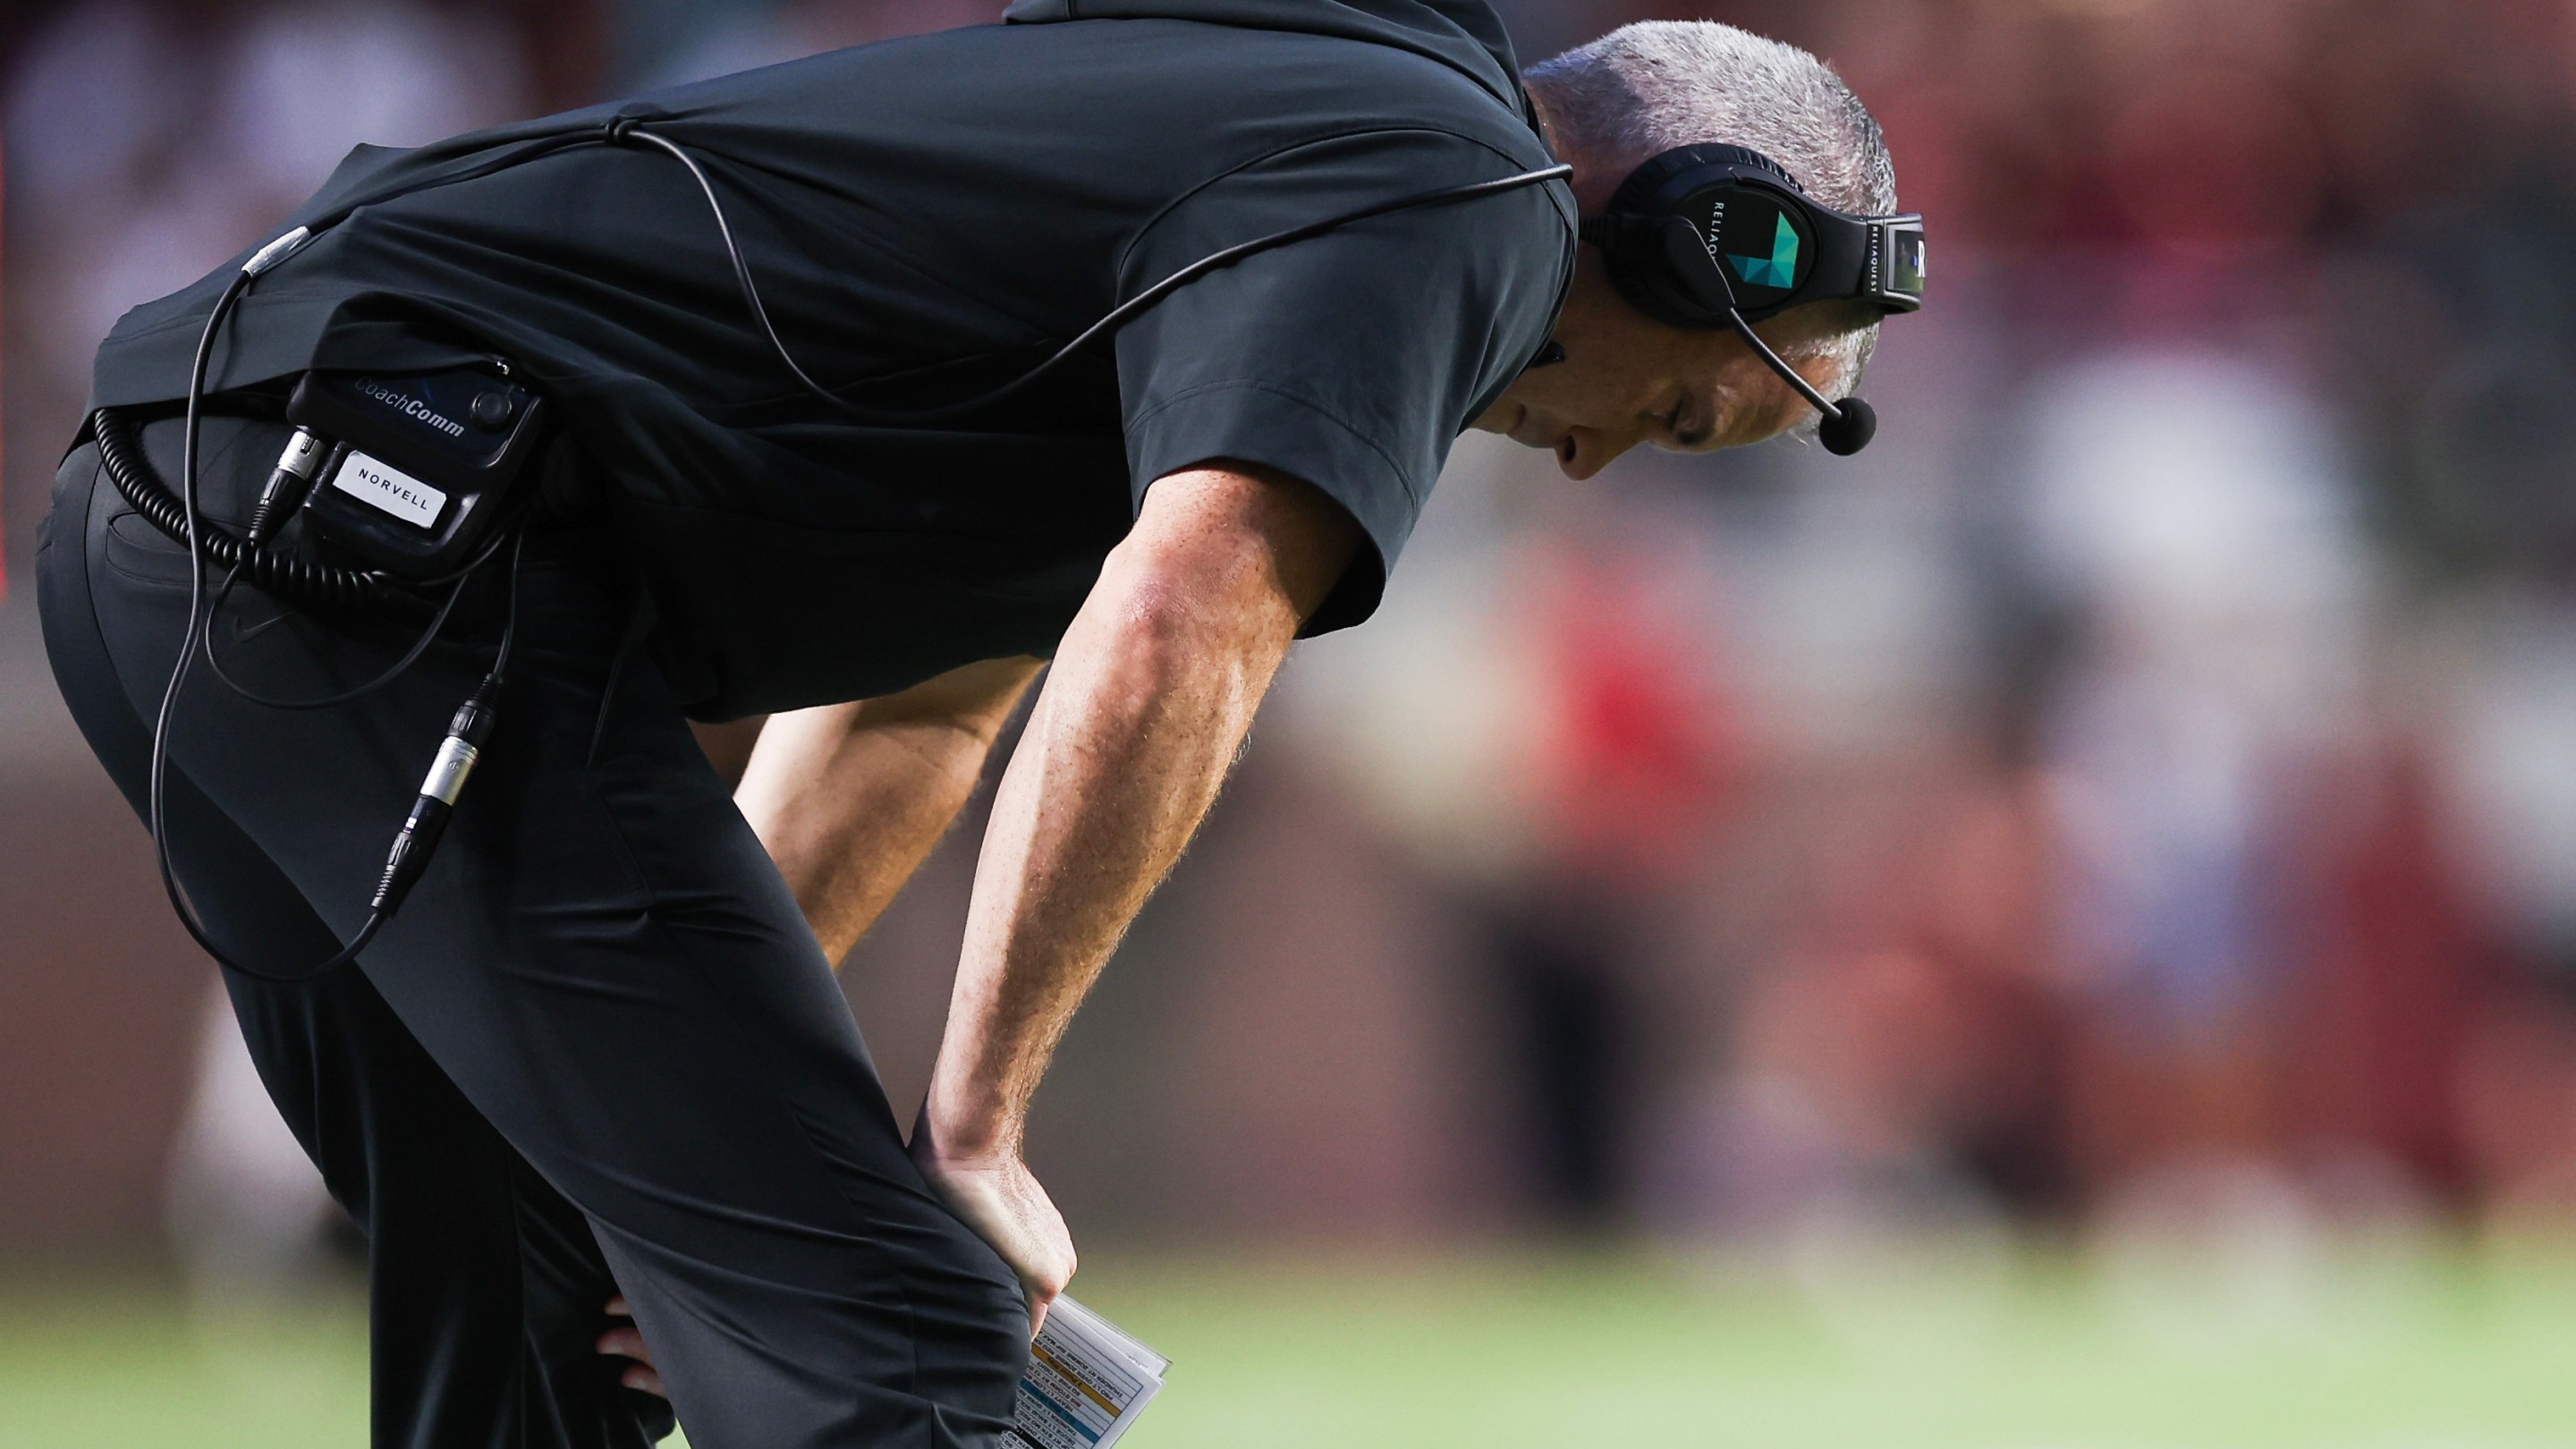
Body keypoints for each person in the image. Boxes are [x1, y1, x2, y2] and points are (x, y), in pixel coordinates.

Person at [39, 7, 1902, 1446]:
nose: (1589, 454)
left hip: (225, 515)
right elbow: (1187, 614)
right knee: (908, 1347)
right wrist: (972, 1135)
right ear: (1684, 241)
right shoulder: (1467, 203)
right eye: (1672, 416)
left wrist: (726, 1139)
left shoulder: (1302, 123)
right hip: (373, 533)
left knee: (549, 1304)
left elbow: (920, 710)